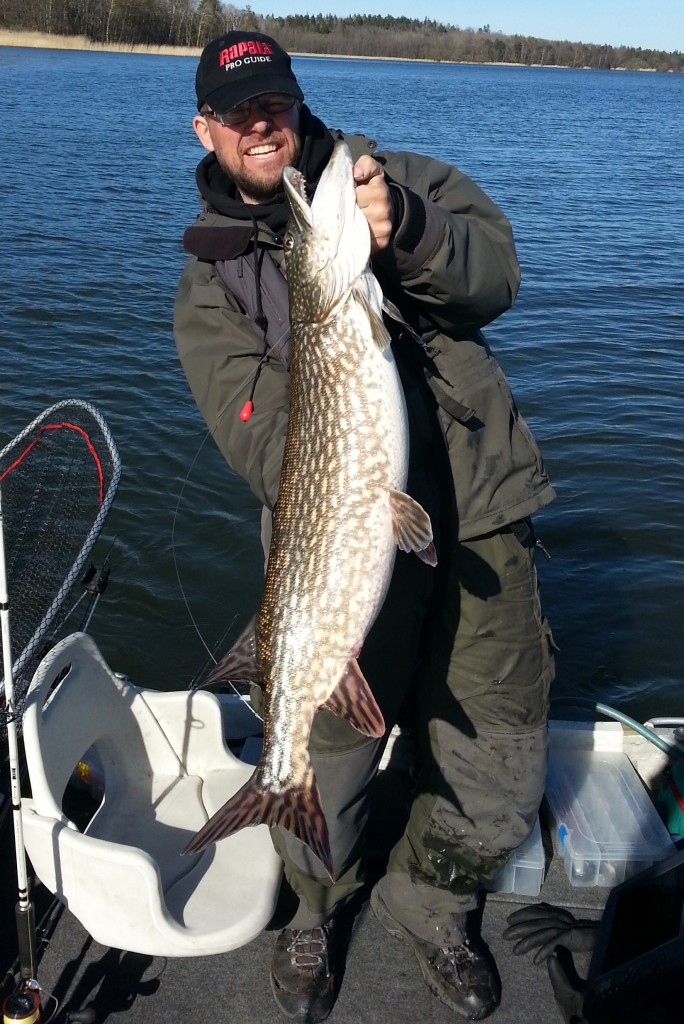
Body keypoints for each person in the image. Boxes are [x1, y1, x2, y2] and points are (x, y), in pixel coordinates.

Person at [174, 30, 556, 1024]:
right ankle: (314, 908)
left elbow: (499, 276)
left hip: (480, 516)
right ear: (205, 127)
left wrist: (411, 229)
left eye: (279, 105)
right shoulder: (206, 287)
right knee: (327, 759)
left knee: (498, 754)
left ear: (297, 105)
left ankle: (433, 902)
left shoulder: (386, 182)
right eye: (241, 112)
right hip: (334, 552)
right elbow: (261, 443)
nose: (266, 126)